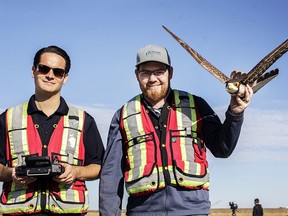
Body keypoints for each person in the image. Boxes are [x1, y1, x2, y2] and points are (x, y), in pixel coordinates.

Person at [99, 44, 253, 216]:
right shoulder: (123, 115)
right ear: (137, 75)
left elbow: (222, 148)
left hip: (193, 211)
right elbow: (111, 177)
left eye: (159, 72)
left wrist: (235, 114)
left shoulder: (197, 105)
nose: (152, 78)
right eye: (145, 73)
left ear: (170, 73)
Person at [0, 45, 104, 215]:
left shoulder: (84, 120)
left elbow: (99, 166)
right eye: (44, 69)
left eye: (58, 72)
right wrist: (11, 173)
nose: (50, 75)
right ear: (33, 71)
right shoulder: (8, 118)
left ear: (65, 78)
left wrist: (76, 171)